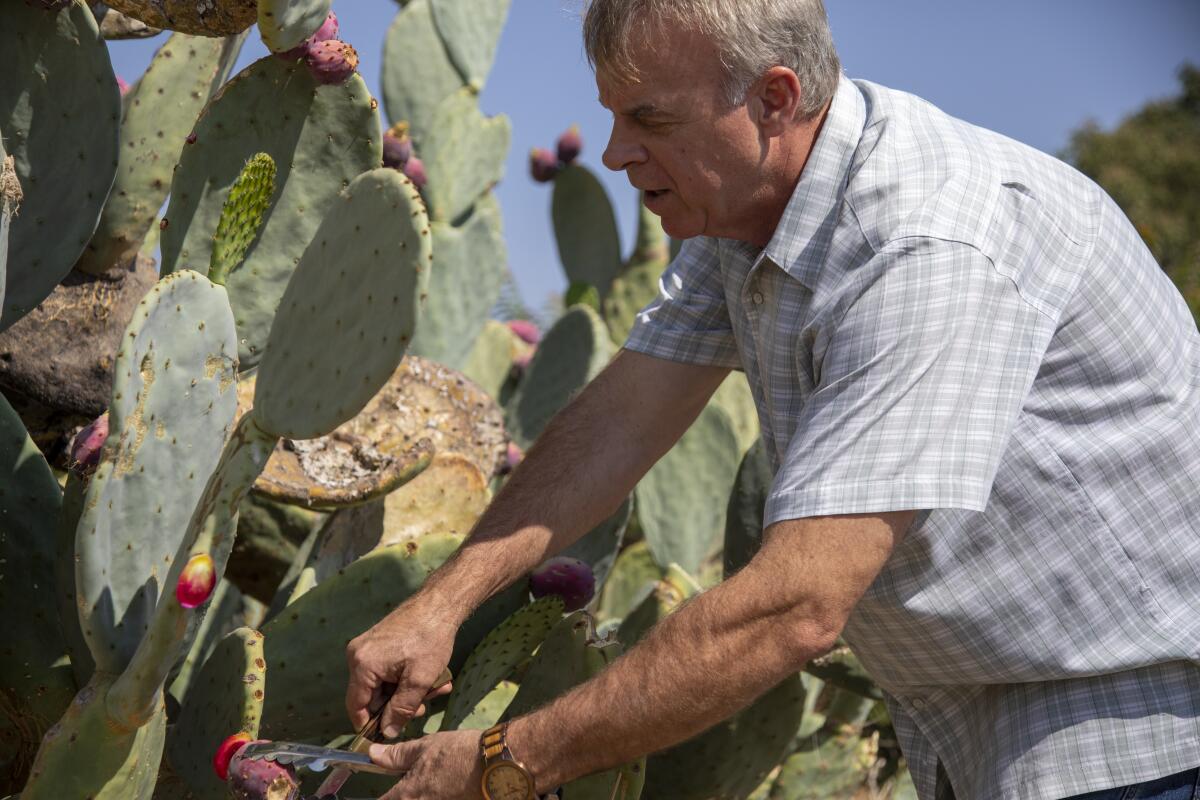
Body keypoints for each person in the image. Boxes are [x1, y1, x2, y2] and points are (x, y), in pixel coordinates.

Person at [347, 1, 1200, 798]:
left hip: (1132, 730)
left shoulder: (928, 244)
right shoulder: (746, 208)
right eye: (610, 115)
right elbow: (620, 421)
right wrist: (438, 607)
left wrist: (502, 765)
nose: (612, 153)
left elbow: (794, 608)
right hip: (980, 720)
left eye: (650, 120)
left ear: (774, 99)